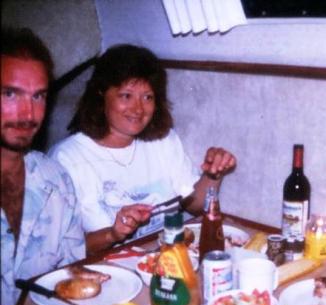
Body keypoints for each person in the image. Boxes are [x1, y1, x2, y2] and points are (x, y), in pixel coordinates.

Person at [49, 44, 236, 255]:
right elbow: (61, 251)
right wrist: (113, 234)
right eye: (126, 95)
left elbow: (194, 205)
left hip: (170, 259)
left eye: (147, 97)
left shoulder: (163, 140)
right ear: (101, 94)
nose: (138, 109)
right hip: (109, 271)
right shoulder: (66, 158)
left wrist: (213, 174)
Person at [1, 27, 102, 305]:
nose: (27, 113)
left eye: (39, 96)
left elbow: (71, 278)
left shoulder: (55, 179)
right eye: (10, 93)